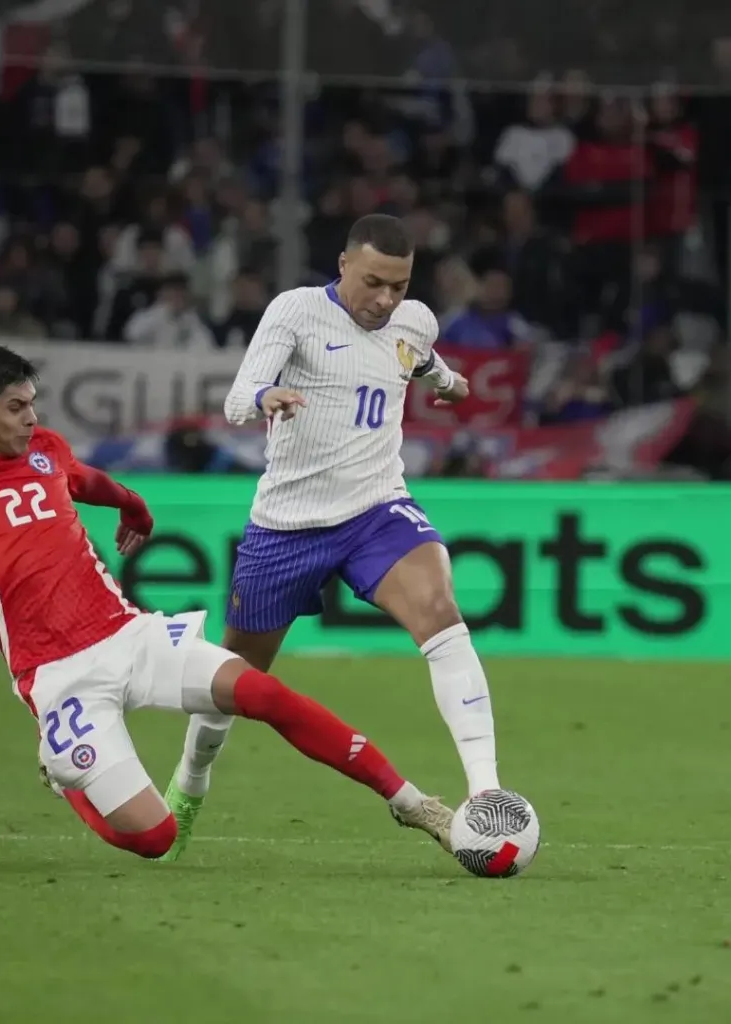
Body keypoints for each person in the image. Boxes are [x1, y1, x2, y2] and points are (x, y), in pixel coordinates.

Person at [0, 343, 454, 860]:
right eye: (16, 407)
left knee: (262, 693)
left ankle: (412, 804)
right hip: (58, 676)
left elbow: (86, 480)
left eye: (33, 405)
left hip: (129, 635)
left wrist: (135, 507)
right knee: (155, 838)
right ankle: (65, 777)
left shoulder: (45, 449)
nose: (31, 419)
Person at [161, 213, 504, 862]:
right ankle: (191, 779)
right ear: (343, 264)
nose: (384, 299)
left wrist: (450, 384)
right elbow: (237, 397)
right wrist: (265, 398)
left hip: (377, 509)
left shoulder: (414, 319)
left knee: (440, 611)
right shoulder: (295, 312)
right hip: (287, 527)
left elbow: (421, 359)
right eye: (373, 281)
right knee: (232, 686)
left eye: (398, 287)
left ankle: (486, 794)